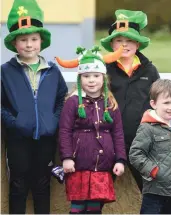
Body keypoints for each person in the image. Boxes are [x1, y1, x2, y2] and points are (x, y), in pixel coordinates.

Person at [1, 0, 68, 213]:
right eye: (23, 40)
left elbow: (60, 99)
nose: (29, 44)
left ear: (41, 41)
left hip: (46, 140)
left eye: (33, 39)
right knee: (18, 186)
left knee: (42, 186)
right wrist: (15, 123)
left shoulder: (53, 71)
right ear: (14, 44)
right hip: (18, 139)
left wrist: (53, 120)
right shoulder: (5, 71)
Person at [55, 45, 127, 214]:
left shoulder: (110, 103)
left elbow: (118, 133)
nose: (91, 80)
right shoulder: (72, 102)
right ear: (80, 79)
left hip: (102, 165)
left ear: (103, 78)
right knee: (78, 207)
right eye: (86, 76)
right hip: (78, 164)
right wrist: (66, 157)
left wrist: (120, 160)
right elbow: (64, 131)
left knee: (95, 207)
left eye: (96, 75)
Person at [100, 9, 160, 192]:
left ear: (138, 45)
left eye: (129, 41)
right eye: (119, 40)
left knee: (150, 190)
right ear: (112, 43)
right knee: (100, 190)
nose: (123, 45)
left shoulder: (149, 71)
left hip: (141, 140)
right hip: (110, 139)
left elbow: (159, 101)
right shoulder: (103, 70)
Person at [129, 79, 171, 214]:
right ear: (153, 104)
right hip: (155, 192)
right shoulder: (147, 128)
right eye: (167, 102)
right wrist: (154, 170)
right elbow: (136, 154)